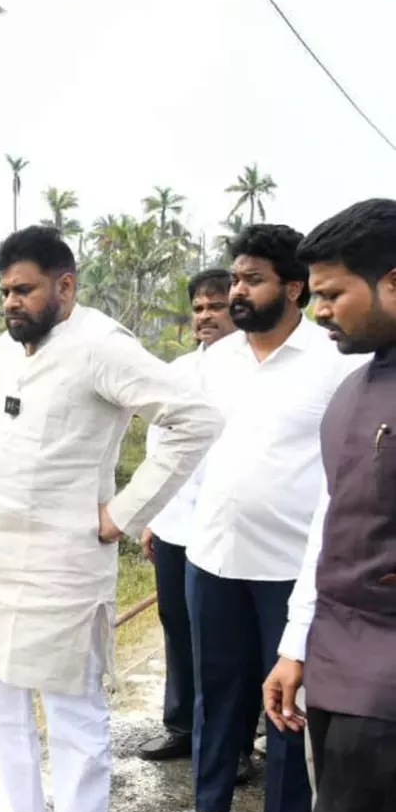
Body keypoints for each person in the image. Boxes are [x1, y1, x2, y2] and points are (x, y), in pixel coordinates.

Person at [0, 226, 222, 812]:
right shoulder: (10, 343)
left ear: (65, 286)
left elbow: (195, 418)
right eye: (5, 292)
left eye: (24, 289)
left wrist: (123, 513)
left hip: (59, 560)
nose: (10, 302)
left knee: (72, 709)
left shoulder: (102, 347)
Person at [143, 225, 365, 812]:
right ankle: (210, 809)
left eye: (252, 279)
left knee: (288, 697)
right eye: (234, 277)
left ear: (293, 288)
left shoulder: (335, 363)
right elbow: (185, 449)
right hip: (212, 554)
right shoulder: (216, 363)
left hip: (294, 567)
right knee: (218, 687)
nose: (236, 290)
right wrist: (158, 518)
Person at [263, 198, 396, 812]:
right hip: (337, 667)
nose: (318, 312)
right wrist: (296, 644)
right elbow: (330, 521)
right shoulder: (351, 392)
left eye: (333, 294)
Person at [137, 268, 237, 763]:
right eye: (198, 308)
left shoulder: (249, 372)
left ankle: (232, 743)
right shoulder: (176, 372)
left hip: (226, 526)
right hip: (177, 524)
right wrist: (152, 516)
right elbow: (159, 448)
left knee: (222, 637)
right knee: (175, 622)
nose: (205, 316)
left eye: (215, 306)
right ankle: (180, 726)